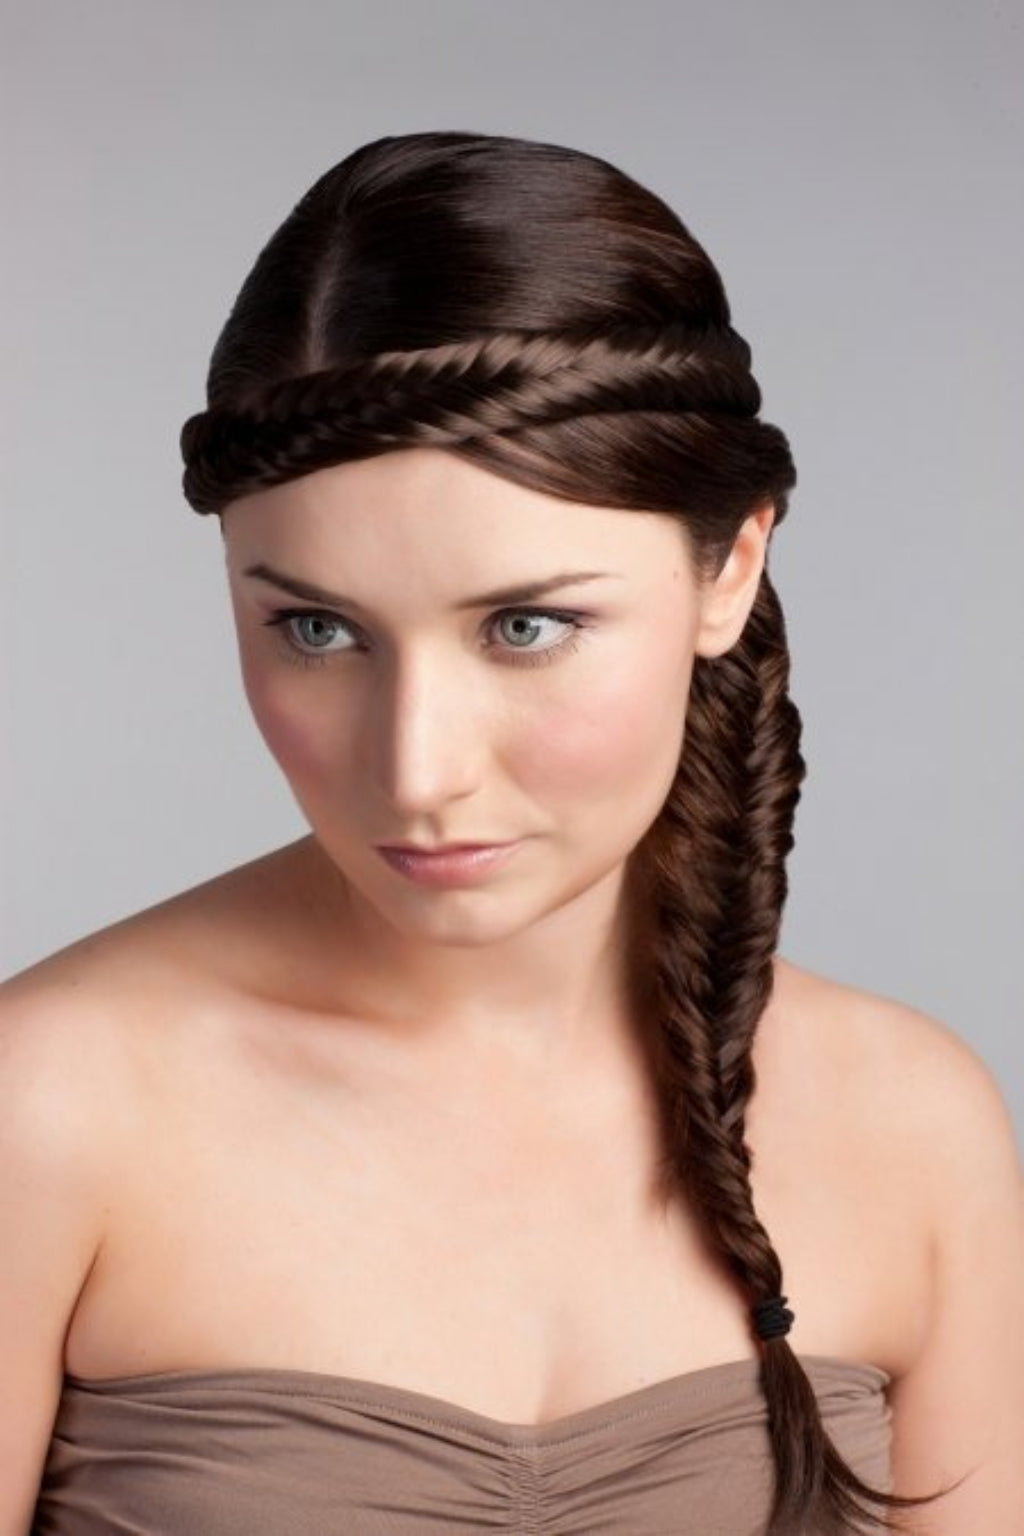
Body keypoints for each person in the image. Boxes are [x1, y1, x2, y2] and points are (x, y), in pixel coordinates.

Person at [3, 130, 1021, 1536]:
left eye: (526, 627)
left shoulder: (915, 1129)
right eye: (316, 628)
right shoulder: (46, 1110)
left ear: (729, 566)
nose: (416, 770)